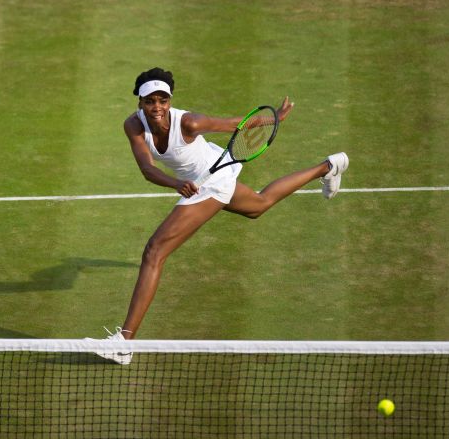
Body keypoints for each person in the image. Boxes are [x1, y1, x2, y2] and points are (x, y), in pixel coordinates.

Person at [90, 67, 349, 365]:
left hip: (212, 179)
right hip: (197, 180)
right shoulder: (133, 126)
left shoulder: (189, 122)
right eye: (151, 101)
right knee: (259, 205)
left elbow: (235, 124)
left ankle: (124, 343)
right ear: (140, 103)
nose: (157, 107)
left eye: (163, 100)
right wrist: (176, 183)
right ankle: (328, 166)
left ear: (170, 101)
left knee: (154, 251)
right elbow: (147, 169)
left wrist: (274, 117)